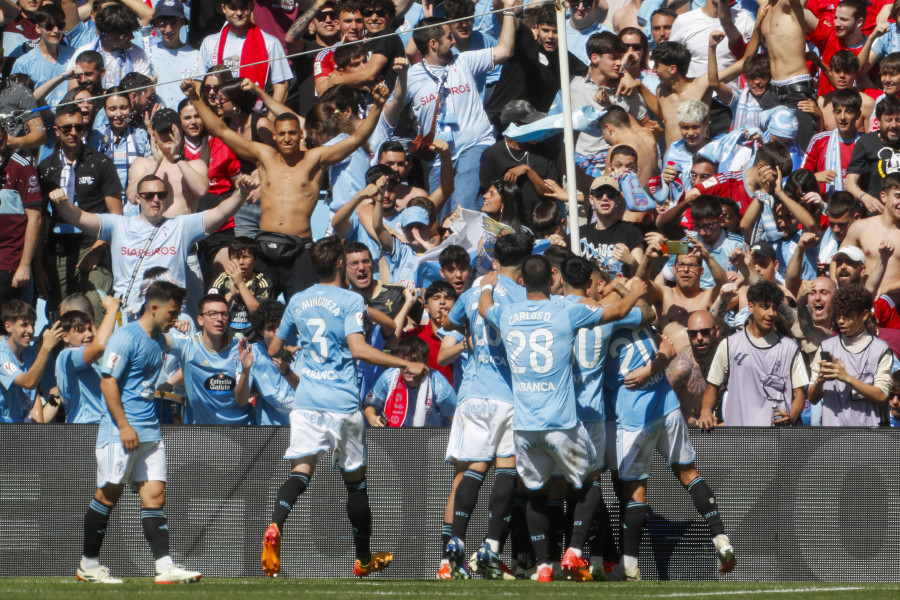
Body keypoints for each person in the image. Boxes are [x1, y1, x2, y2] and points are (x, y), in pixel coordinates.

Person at [260, 236, 428, 578]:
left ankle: (275, 524)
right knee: (355, 484)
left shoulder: (298, 300)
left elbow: (275, 347)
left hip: (306, 402)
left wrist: (296, 352)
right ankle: (363, 559)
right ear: (341, 265)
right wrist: (402, 363)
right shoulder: (350, 300)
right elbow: (359, 350)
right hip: (341, 404)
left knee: (300, 472)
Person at [479, 255, 646, 582]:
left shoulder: (508, 313)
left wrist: (488, 283)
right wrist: (634, 290)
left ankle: (544, 564)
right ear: (552, 276)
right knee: (589, 482)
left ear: (522, 282)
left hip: (525, 425)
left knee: (536, 491)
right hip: (561, 422)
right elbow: (620, 312)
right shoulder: (564, 310)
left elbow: (485, 307)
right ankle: (575, 550)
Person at [185, 78, 390, 299]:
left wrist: (377, 106)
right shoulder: (264, 156)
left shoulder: (316, 158)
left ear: (301, 135)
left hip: (299, 250)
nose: (287, 138)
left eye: (292, 133)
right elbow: (221, 131)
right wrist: (196, 99)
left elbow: (358, 138)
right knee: (259, 313)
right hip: (264, 248)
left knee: (304, 313)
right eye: (281, 134)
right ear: (274, 136)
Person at [76, 280, 202, 584]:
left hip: (150, 432)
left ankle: (164, 567)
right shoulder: (126, 337)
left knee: (155, 496)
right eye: (172, 312)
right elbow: (108, 382)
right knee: (108, 496)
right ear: (154, 307)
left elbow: (190, 346)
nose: (175, 318)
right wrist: (123, 426)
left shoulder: (159, 339)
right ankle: (88, 565)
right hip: (122, 432)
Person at [604, 316, 735, 582]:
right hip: (667, 406)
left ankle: (628, 566)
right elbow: (669, 349)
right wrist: (650, 369)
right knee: (689, 474)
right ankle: (719, 536)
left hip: (634, 417)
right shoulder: (637, 318)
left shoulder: (597, 327)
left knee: (635, 491)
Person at [441, 232, 532, 580]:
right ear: (523, 264)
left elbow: (450, 324)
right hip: (509, 395)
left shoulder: (473, 290)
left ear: (495, 258)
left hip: (473, 394)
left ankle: (455, 546)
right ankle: (491, 547)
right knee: (507, 469)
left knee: (472, 470)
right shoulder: (526, 296)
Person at [47, 173, 251, 321]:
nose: (156, 200)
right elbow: (80, 217)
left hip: (172, 317)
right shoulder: (119, 225)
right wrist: (62, 204)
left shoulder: (180, 226)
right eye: (149, 195)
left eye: (161, 195)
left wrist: (242, 193)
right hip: (130, 315)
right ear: (137, 198)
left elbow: (221, 213)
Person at [406, 8, 517, 216]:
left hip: (474, 145)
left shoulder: (464, 61)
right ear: (433, 44)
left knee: (462, 209)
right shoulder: (412, 76)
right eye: (448, 37)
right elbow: (392, 108)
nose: (454, 41)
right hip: (438, 156)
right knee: (438, 217)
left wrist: (509, 10)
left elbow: (505, 50)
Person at [38, 103, 122, 323]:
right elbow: (38, 219)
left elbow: (116, 216)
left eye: (79, 127)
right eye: (67, 128)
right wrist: (39, 267)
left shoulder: (102, 163)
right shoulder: (46, 168)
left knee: (95, 307)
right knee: (59, 317)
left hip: (91, 245)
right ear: (56, 130)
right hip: (58, 249)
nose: (74, 133)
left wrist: (97, 250)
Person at [699, 280, 809, 428]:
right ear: (751, 306)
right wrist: (706, 411)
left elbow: (799, 394)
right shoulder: (729, 345)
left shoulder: (789, 347)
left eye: (775, 308)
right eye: (765, 307)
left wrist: (792, 416)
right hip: (739, 438)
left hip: (776, 440)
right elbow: (712, 388)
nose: (771, 313)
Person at [809, 284, 893, 425]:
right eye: (839, 315)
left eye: (847, 315)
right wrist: (819, 380)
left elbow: (882, 396)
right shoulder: (826, 347)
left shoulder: (880, 350)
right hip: (832, 437)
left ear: (864, 314)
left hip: (866, 438)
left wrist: (846, 378)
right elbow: (812, 398)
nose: (841, 320)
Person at [167, 293, 252, 425]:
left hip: (241, 430)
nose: (219, 319)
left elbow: (242, 401)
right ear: (200, 320)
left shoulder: (241, 347)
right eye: (212, 314)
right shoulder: (188, 345)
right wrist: (171, 322)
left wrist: (246, 370)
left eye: (224, 314)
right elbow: (153, 337)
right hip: (202, 433)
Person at [479, 100, 561, 220]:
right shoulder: (492, 155)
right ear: (516, 126)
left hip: (540, 225)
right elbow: (489, 198)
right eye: (532, 125)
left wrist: (528, 170)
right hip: (508, 225)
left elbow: (552, 194)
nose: (537, 129)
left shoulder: (544, 152)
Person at [198, 0, 292, 103]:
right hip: (217, 113)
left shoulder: (271, 43)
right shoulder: (209, 43)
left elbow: (282, 87)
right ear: (223, 8)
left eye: (243, 7)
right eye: (233, 7)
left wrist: (269, 118)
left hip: (256, 113)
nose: (238, 13)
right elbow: (198, 83)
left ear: (252, 7)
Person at [55, 294, 120, 424]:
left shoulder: (93, 364)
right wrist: (111, 310)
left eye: (89, 329)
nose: (88, 334)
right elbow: (100, 346)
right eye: (80, 330)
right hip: (84, 430)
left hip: (101, 429)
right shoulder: (67, 356)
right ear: (65, 336)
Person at [364, 336, 456, 427]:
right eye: (404, 362)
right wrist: (372, 418)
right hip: (394, 437)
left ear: (425, 362)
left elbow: (454, 415)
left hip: (431, 437)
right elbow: (368, 404)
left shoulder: (438, 383)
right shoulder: (388, 377)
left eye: (414, 361)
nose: (408, 368)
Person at [0, 300, 63, 423]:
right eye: (24, 325)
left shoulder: (30, 353)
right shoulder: (2, 356)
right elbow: (28, 382)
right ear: (8, 327)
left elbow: (33, 397)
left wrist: (37, 434)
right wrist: (46, 348)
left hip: (22, 422)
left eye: (33, 325)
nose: (31, 330)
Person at [0, 122, 42, 308]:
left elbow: (35, 218)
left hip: (11, 265)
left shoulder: (22, 167)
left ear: (6, 136)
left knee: (12, 331)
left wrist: (25, 265)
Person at [67, 3, 151, 90]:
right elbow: (74, 93)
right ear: (109, 33)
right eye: (126, 34)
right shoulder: (83, 52)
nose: (132, 37)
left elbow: (144, 91)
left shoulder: (136, 53)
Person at [841, 172, 900, 293]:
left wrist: (887, 288)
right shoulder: (861, 227)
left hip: (895, 306)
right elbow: (837, 262)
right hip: (864, 303)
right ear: (884, 196)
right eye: (898, 196)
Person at [98, 86, 152, 216]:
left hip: (134, 209)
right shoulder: (97, 135)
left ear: (131, 108)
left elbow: (150, 169)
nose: (118, 114)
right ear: (105, 110)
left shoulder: (140, 135)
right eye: (112, 109)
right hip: (104, 208)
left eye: (123, 108)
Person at [244, 299, 297, 426]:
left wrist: (287, 371)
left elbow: (308, 391)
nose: (278, 332)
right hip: (269, 428)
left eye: (281, 326)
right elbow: (242, 398)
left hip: (301, 428)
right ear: (260, 331)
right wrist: (245, 371)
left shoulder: (301, 348)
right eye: (271, 328)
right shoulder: (254, 353)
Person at [10, 4, 75, 109]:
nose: (55, 31)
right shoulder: (23, 64)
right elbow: (15, 103)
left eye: (60, 25)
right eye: (49, 26)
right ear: (38, 28)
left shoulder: (73, 55)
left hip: (69, 120)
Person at [578, 175, 645, 277]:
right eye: (599, 194)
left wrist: (631, 261)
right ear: (591, 199)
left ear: (618, 199)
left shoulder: (632, 232)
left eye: (610, 194)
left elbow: (643, 280)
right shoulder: (579, 233)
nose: (605, 198)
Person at [844, 95, 900, 211]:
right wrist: (865, 197)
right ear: (878, 122)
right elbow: (849, 183)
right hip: (878, 215)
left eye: (898, 120)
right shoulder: (866, 142)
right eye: (888, 120)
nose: (894, 125)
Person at [212, 236, 274, 337]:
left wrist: (240, 284)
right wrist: (231, 294)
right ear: (230, 259)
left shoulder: (262, 281)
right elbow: (211, 311)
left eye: (245, 257)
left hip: (253, 340)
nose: (241, 262)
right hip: (226, 338)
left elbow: (260, 314)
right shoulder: (222, 279)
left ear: (255, 259)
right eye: (236, 257)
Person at [146, 0, 200, 111]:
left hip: (187, 117)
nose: (168, 29)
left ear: (182, 22)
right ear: (156, 24)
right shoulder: (149, 54)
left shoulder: (195, 55)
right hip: (160, 118)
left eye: (174, 22)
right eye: (162, 23)